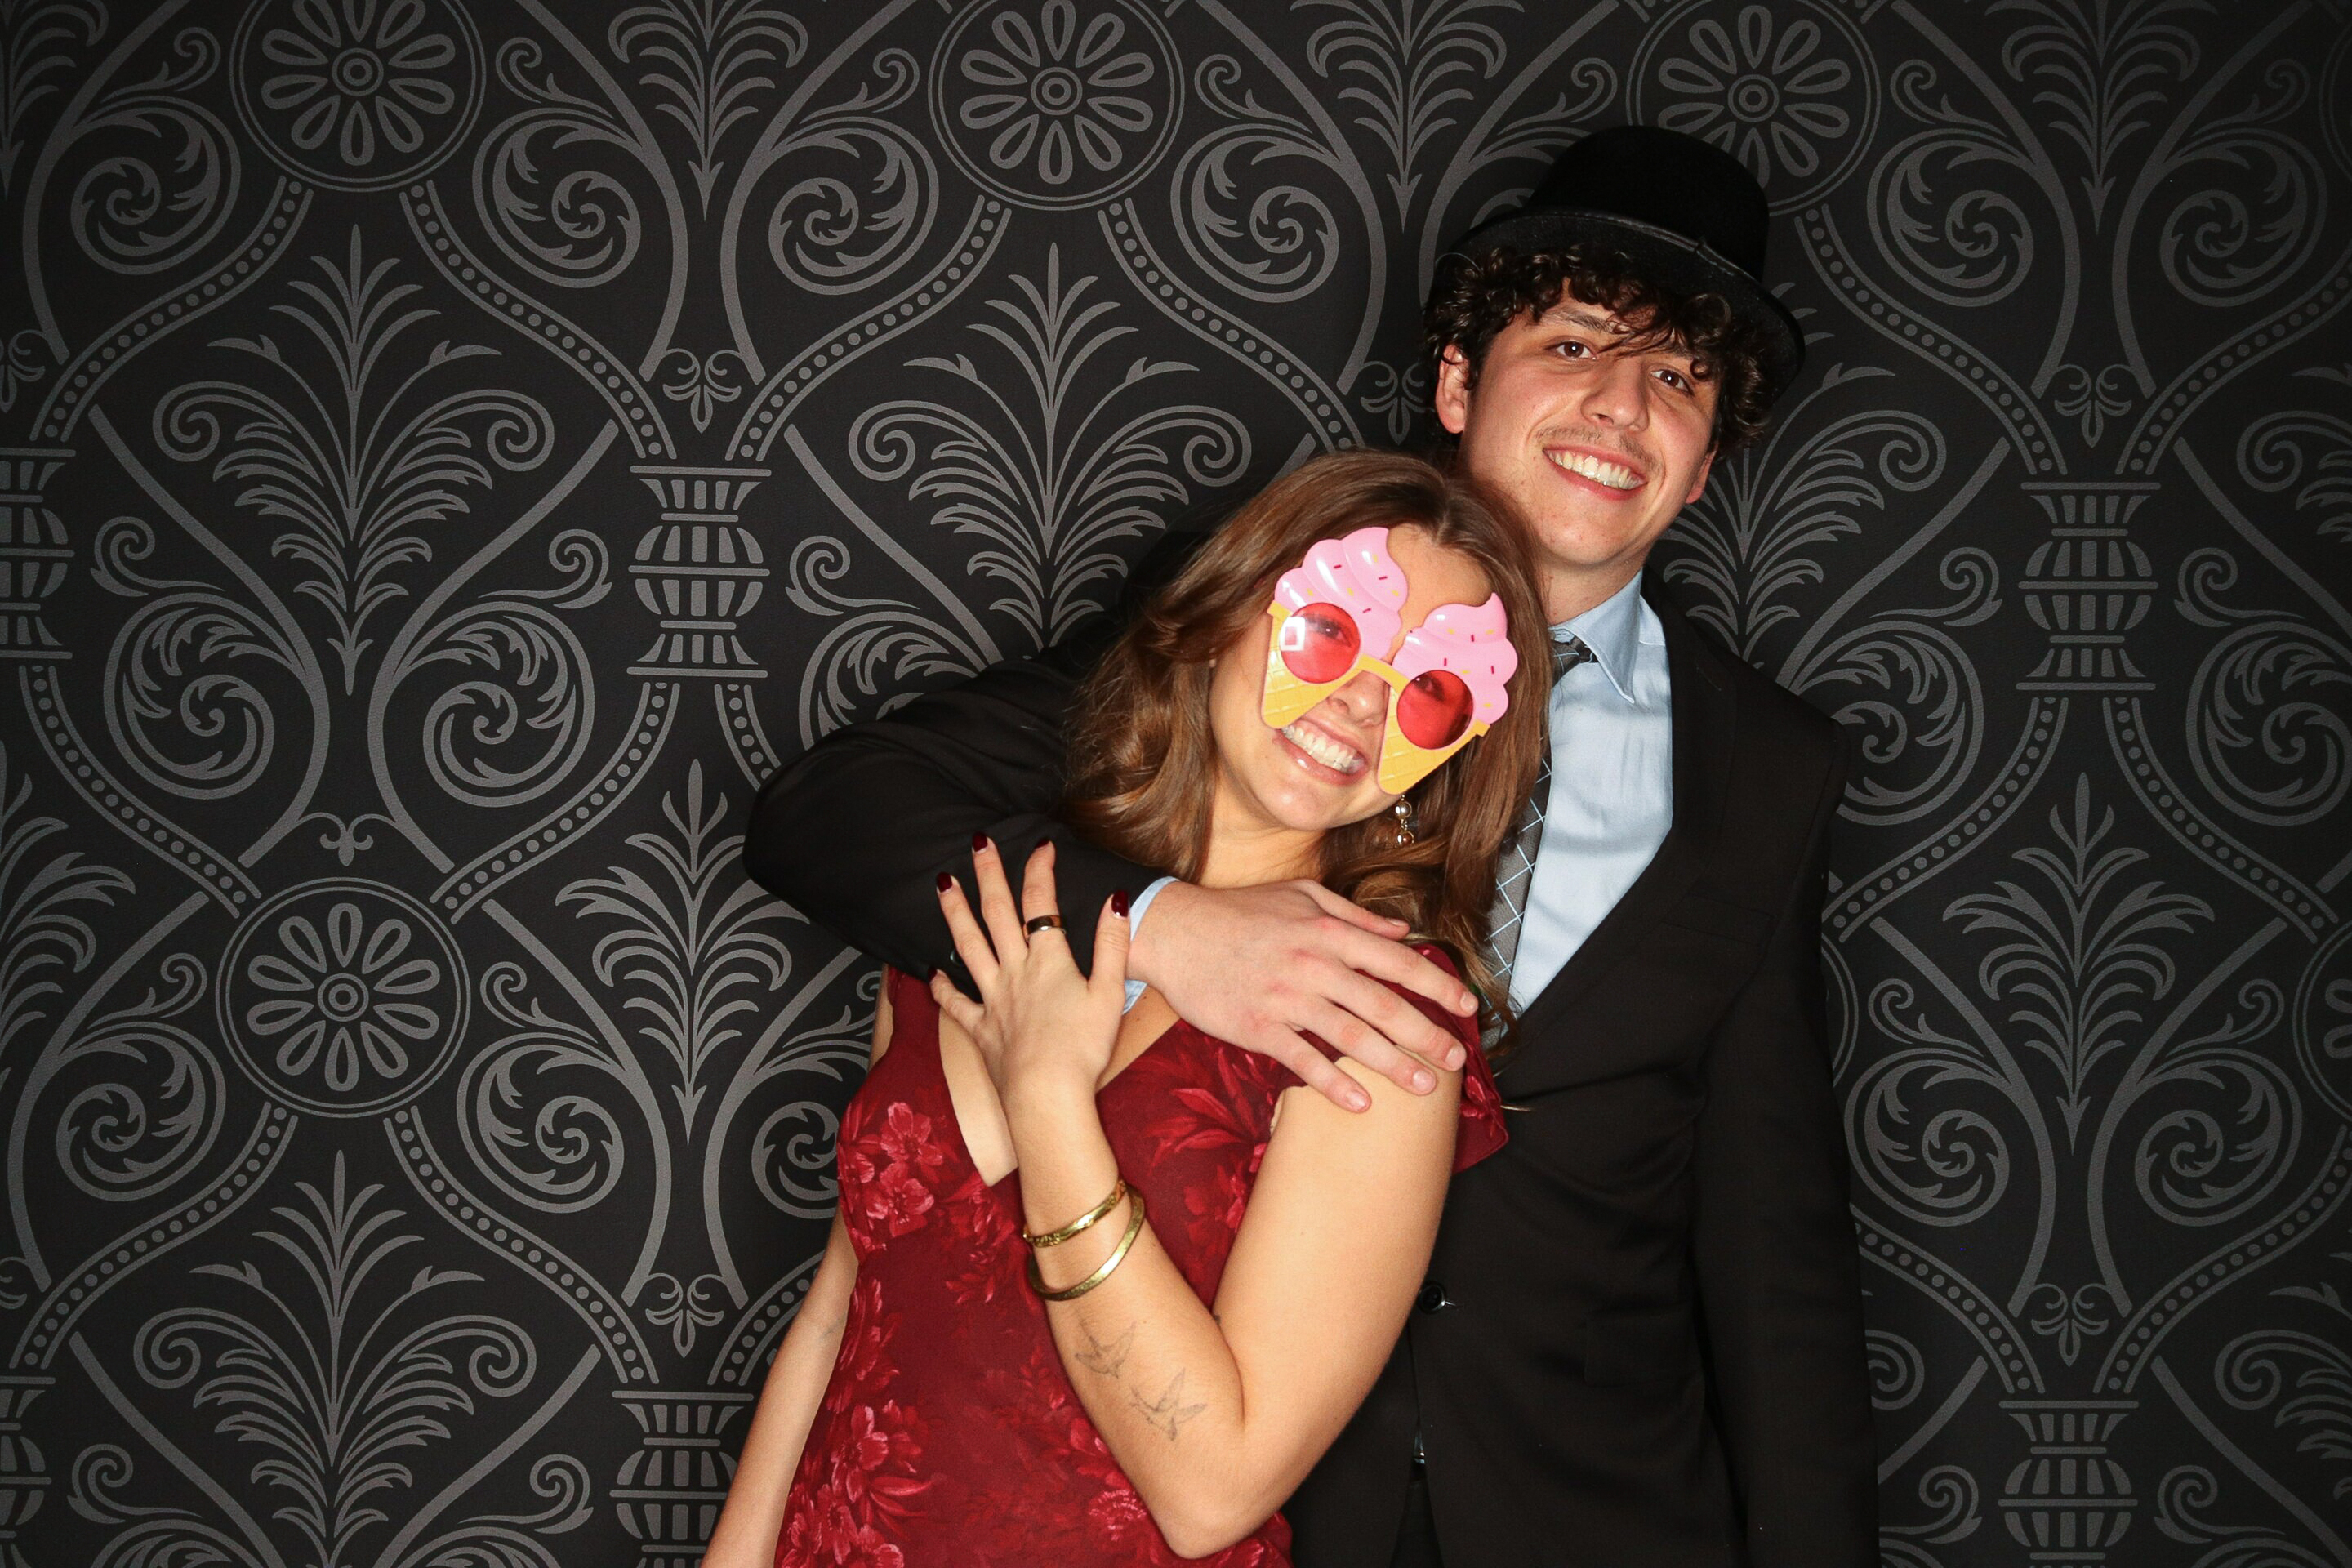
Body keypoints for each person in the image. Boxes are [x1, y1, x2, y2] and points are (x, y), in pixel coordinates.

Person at [746, 126, 1878, 1566]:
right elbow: (836, 808)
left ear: (1704, 463)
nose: (1620, 403)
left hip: (1586, 1512)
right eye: (1576, 343)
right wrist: (1170, 927)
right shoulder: (1261, 606)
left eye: (1679, 379)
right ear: (1458, 382)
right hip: (1267, 1508)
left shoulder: (1768, 771)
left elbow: (1776, 1242)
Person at [705, 452, 1552, 1566]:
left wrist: (1050, 1101)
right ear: (1225, 614)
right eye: (1330, 631)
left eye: (1430, 692)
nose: (1362, 701)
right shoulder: (995, 897)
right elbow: (841, 1304)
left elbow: (1213, 1492)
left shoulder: (1376, 1024)